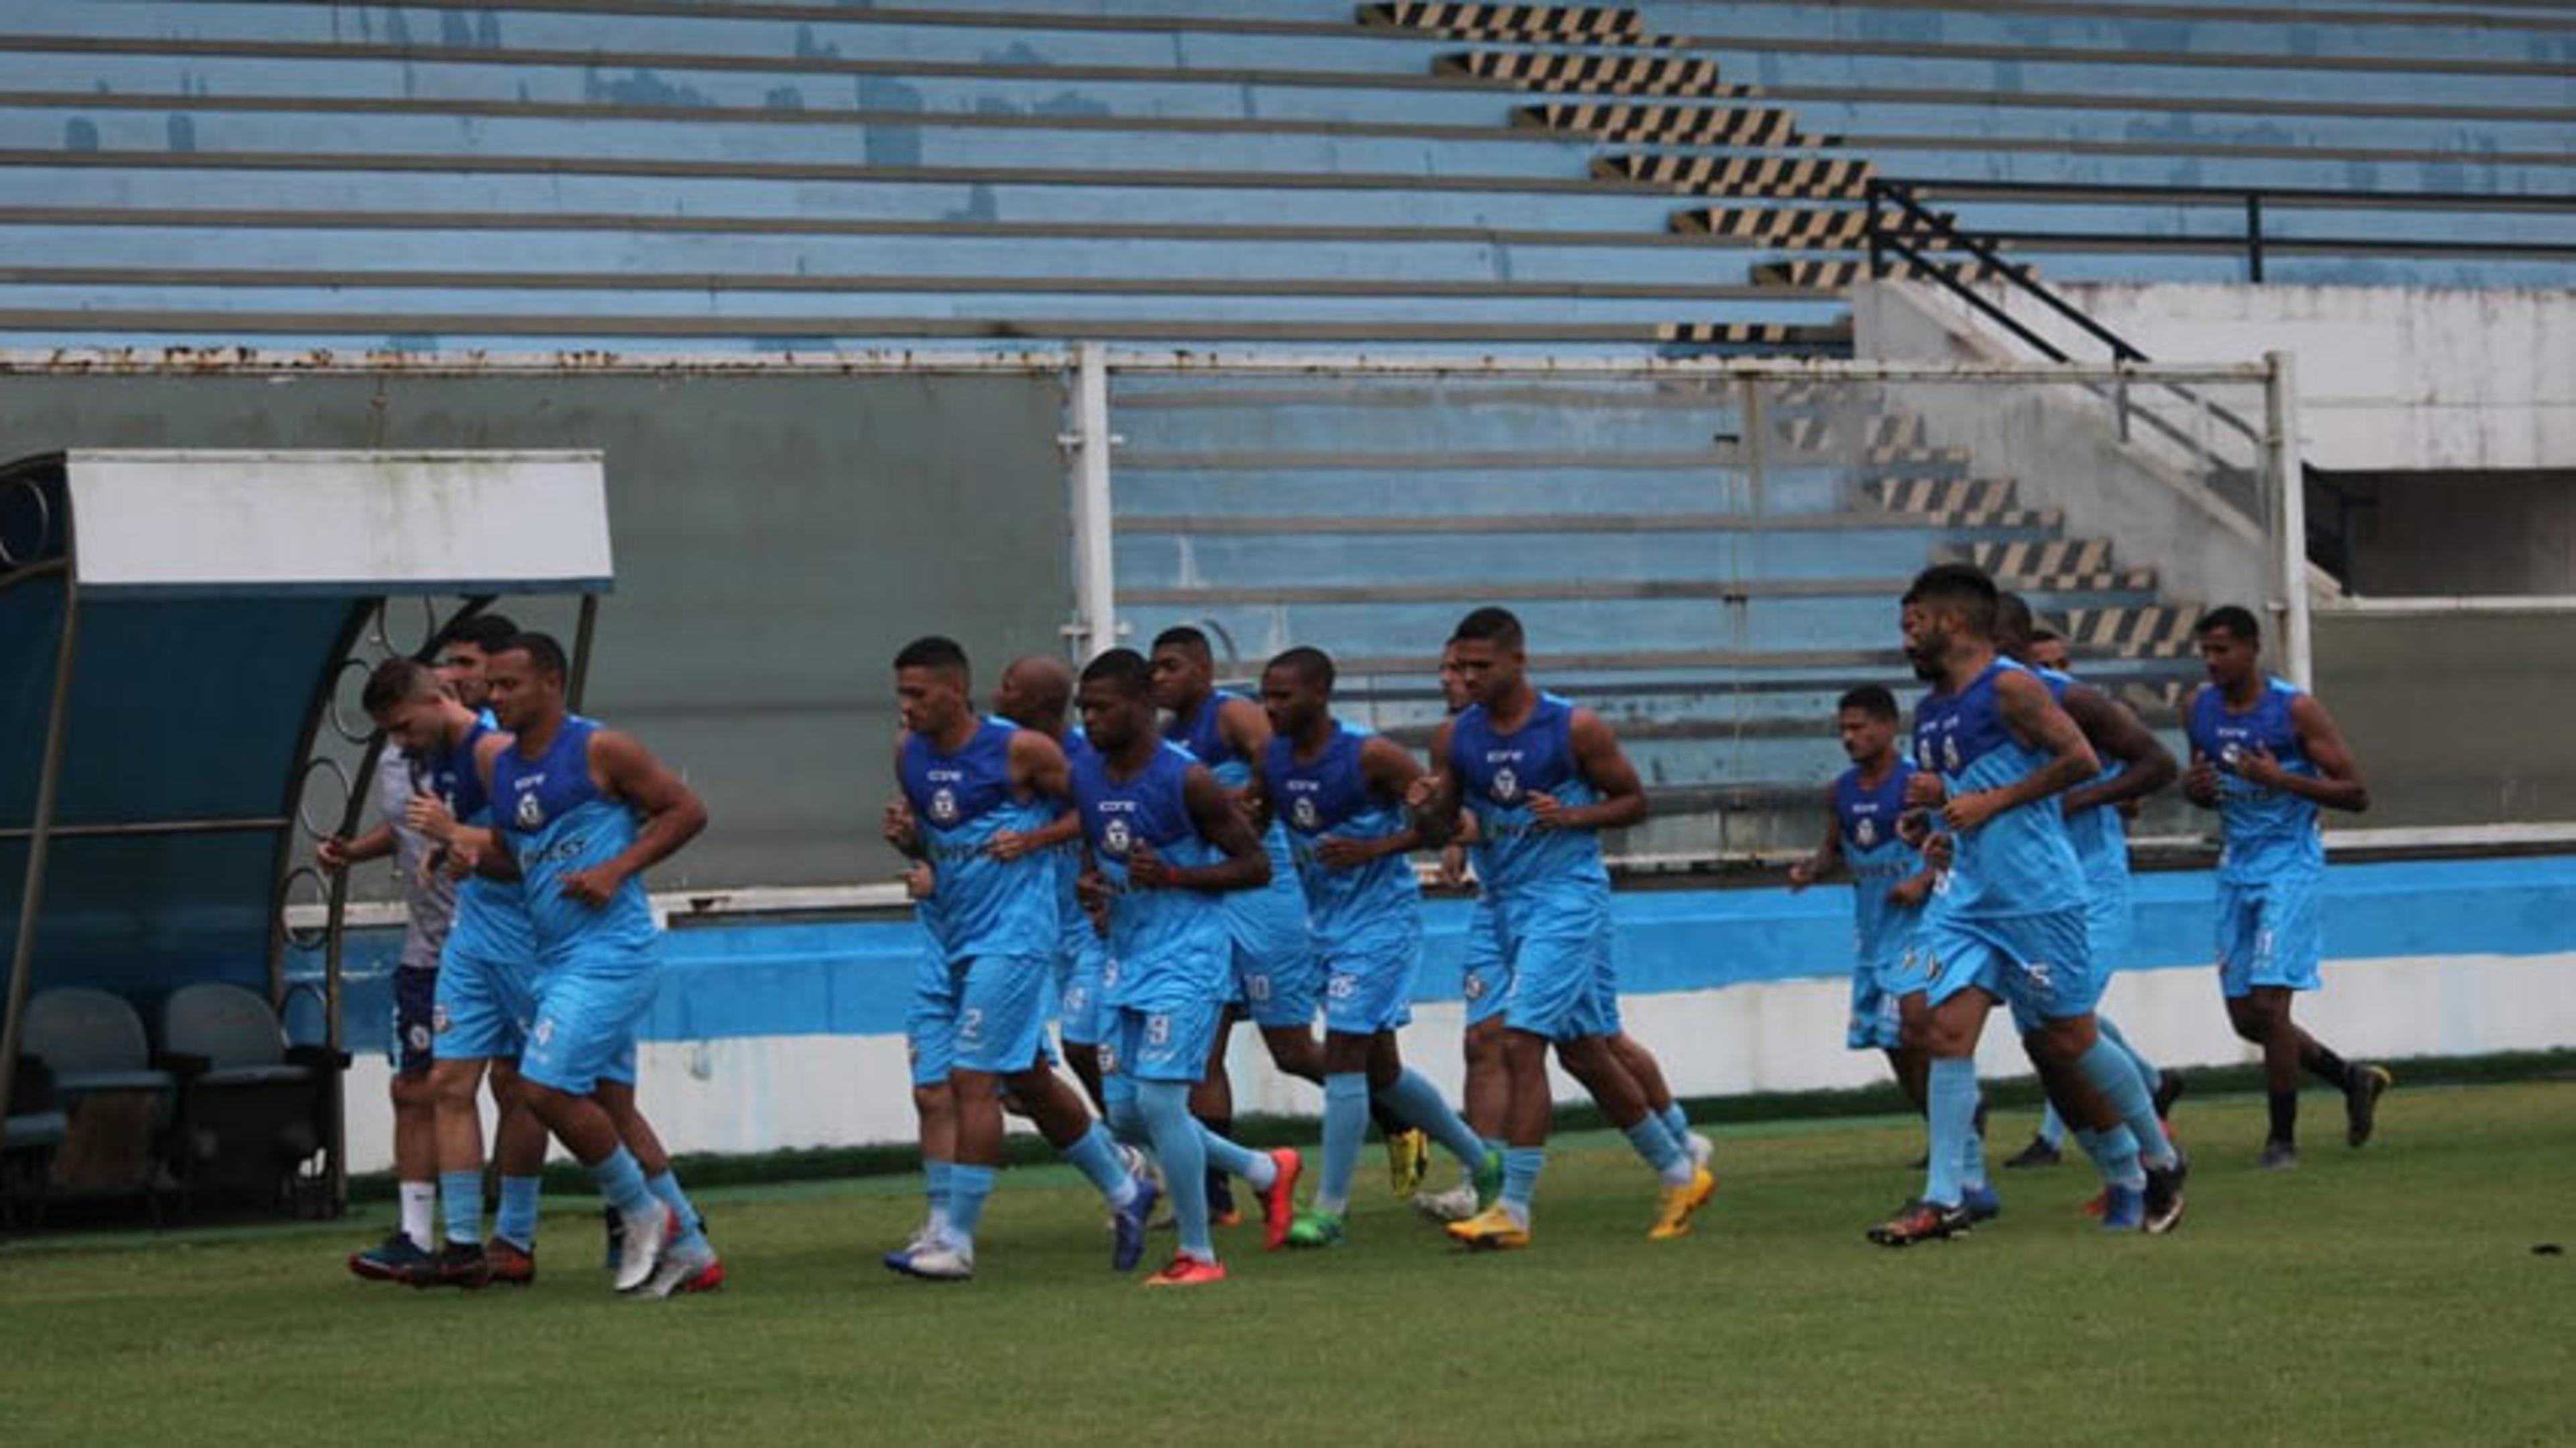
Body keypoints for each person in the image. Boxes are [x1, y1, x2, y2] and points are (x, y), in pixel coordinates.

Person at [1867, 565, 2178, 1247]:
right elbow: (1961, 794)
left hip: (2036, 895)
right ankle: (1947, 1196)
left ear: (1951, 622)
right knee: (1936, 1026)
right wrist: (1932, 824)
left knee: (2067, 1039)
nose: (1906, 638)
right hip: (1968, 898)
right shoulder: (1933, 709)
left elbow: (2080, 760)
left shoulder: (2011, 686)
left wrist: (1992, 802)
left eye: (1913, 623)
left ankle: (2159, 1158)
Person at [1409, 608, 1713, 1249]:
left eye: (1480, 666)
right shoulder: (1456, 738)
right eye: (1460, 666)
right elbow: (1443, 825)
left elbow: (1634, 801)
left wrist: (1574, 816)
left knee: (1523, 1043)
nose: (1466, 677)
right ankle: (1679, 1169)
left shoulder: (1573, 727)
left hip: (1565, 898)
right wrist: (1430, 810)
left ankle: (1512, 1207)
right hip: (1499, 904)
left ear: (1518, 661)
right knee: (1579, 1049)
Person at [877, 637, 1157, 1282]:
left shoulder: (1019, 751)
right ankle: (1124, 1188)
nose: (906, 707)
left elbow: (1095, 812)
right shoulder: (909, 754)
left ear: (957, 690)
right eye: (901, 693)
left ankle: (955, 1240)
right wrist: (909, 841)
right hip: (951, 938)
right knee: (1025, 1079)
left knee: (975, 1082)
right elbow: (938, 839)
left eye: (918, 694)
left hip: (1014, 937)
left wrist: (1034, 838)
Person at [456, 633, 714, 1296]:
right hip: (556, 957)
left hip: (611, 954)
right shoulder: (502, 766)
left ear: (551, 683)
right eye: (491, 686)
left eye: (507, 684)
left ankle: (641, 1214)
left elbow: (687, 811)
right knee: (609, 1105)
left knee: (540, 1089)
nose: (494, 697)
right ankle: (692, 1246)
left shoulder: (601, 747)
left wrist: (616, 867)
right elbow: (520, 858)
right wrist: (464, 852)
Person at [1150, 627, 1426, 1219]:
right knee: (1203, 1044)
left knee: (1293, 1050)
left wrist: (1248, 806)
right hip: (1210, 901)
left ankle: (1395, 1116)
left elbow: (1273, 780)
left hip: (1269, 897)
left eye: (1170, 666)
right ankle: (1214, 1194)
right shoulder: (1169, 739)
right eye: (1152, 669)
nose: (1159, 680)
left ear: (1202, 667)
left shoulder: (1236, 716)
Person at [1254, 647, 1501, 1247]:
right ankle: (1482, 1158)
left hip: (1381, 924)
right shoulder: (1273, 757)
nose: (1270, 706)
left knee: (1342, 1055)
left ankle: (1330, 1211)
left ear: (1319, 694)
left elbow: (1442, 826)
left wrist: (1380, 845)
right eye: (1266, 695)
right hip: (1323, 925)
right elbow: (1256, 822)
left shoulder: (1371, 755)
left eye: (1283, 695)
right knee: (1381, 1069)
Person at [1072, 649, 1301, 1286]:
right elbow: (1098, 853)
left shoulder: (1187, 779)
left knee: (1162, 1103)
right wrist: (1094, 887)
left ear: (1144, 705)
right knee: (1124, 1113)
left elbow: (1255, 866)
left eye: (1101, 707)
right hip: (1126, 955)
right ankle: (1265, 1170)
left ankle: (1199, 1255)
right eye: (1082, 708)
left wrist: (1175, 874)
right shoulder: (1086, 776)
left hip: (1188, 958)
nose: (1088, 720)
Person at [2182, 606, 2387, 1168]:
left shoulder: (2293, 708)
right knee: (2245, 1016)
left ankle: (2282, 1139)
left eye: (2222, 649)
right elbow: (2205, 785)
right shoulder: (2199, 707)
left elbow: (2355, 793)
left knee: (2271, 1005)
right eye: (2205, 651)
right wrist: (2195, 788)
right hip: (2235, 868)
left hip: (2289, 868)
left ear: (2252, 649)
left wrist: (2283, 780)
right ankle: (2351, 1078)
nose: (2212, 661)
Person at [1990, 595, 2186, 1180]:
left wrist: (2085, 795)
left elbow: (2155, 765)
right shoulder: (1974, 706)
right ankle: (2150, 1088)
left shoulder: (2068, 699)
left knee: (2062, 1022)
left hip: (2091, 884)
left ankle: (2131, 1159)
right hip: (2028, 890)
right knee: (2045, 1024)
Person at [323, 682, 457, 1282]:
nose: (400, 737)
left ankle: (512, 1232)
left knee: (523, 1090)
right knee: (416, 1089)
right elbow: (406, 832)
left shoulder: (489, 753)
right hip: (426, 952)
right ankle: (419, 1234)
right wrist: (353, 850)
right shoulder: (397, 759)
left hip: (488, 949)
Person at [1787, 686, 1937, 1114]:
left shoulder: (1917, 785)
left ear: (1889, 726)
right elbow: (1834, 848)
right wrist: (1810, 871)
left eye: (1858, 727)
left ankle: (1958, 1124)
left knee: (1913, 1032)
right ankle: (1940, 1120)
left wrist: (1921, 881)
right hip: (1872, 937)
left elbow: (1958, 845)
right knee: (1885, 1040)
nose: (1850, 737)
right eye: (1843, 730)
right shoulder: (1841, 791)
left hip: (1918, 932)